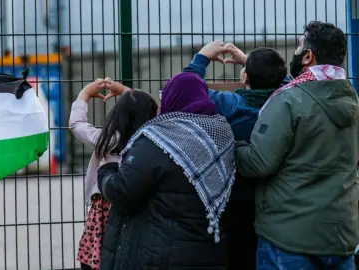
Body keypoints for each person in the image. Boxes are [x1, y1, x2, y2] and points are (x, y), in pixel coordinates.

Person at [235, 21, 359, 269]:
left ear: (308, 56)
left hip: (290, 238)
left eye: (298, 46)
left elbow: (259, 163)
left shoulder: (289, 100)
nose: (294, 51)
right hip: (340, 235)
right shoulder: (351, 99)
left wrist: (234, 147)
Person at [97, 72, 236, 269]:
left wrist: (106, 172)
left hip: (162, 253)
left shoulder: (158, 139)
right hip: (208, 248)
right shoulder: (221, 134)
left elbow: (122, 191)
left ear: (172, 98)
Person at [183, 41, 289, 269]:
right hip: (274, 196)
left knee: (237, 254)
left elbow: (188, 87)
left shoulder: (231, 104)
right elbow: (289, 83)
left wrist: (202, 57)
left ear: (245, 78)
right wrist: (248, 61)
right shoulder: (285, 100)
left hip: (235, 196)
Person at [69, 78, 158, 270]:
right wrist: (128, 92)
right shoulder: (151, 141)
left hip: (105, 207)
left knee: (100, 252)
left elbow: (76, 124)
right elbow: (154, 110)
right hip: (138, 206)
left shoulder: (107, 140)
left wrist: (84, 94)